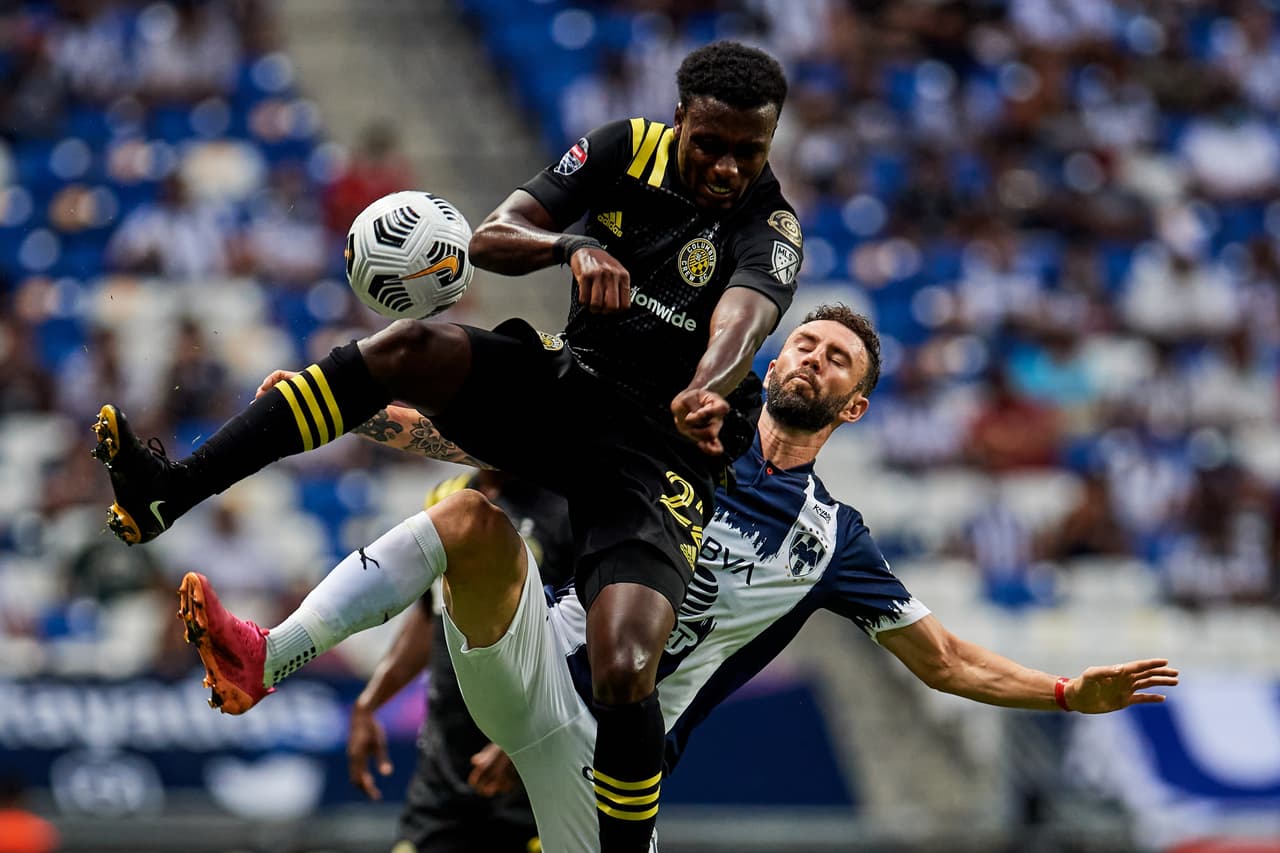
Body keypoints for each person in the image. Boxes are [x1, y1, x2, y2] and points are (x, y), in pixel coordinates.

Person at [95, 40, 800, 852]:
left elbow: (742, 317)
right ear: (680, 118)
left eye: (749, 152)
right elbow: (495, 235)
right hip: (574, 389)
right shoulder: (621, 148)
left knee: (624, 665)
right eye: (710, 144)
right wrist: (570, 248)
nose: (726, 168)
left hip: (665, 448)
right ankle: (167, 491)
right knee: (402, 353)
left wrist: (708, 386)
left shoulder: (771, 224)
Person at [175, 305, 1178, 852]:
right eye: (808, 341)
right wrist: (361, 411)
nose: (814, 357)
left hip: (611, 767)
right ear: (776, 355)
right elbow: (497, 450)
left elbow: (945, 658)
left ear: (854, 406)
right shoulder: (668, 435)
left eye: (836, 360)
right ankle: (267, 653)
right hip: (534, 667)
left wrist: (1058, 693)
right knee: (470, 518)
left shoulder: (834, 541)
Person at [352, 470, 573, 853]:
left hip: (532, 782)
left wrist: (528, 738)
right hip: (443, 777)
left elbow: (581, 638)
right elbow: (428, 613)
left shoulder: (571, 508)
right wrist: (369, 702)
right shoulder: (447, 497)